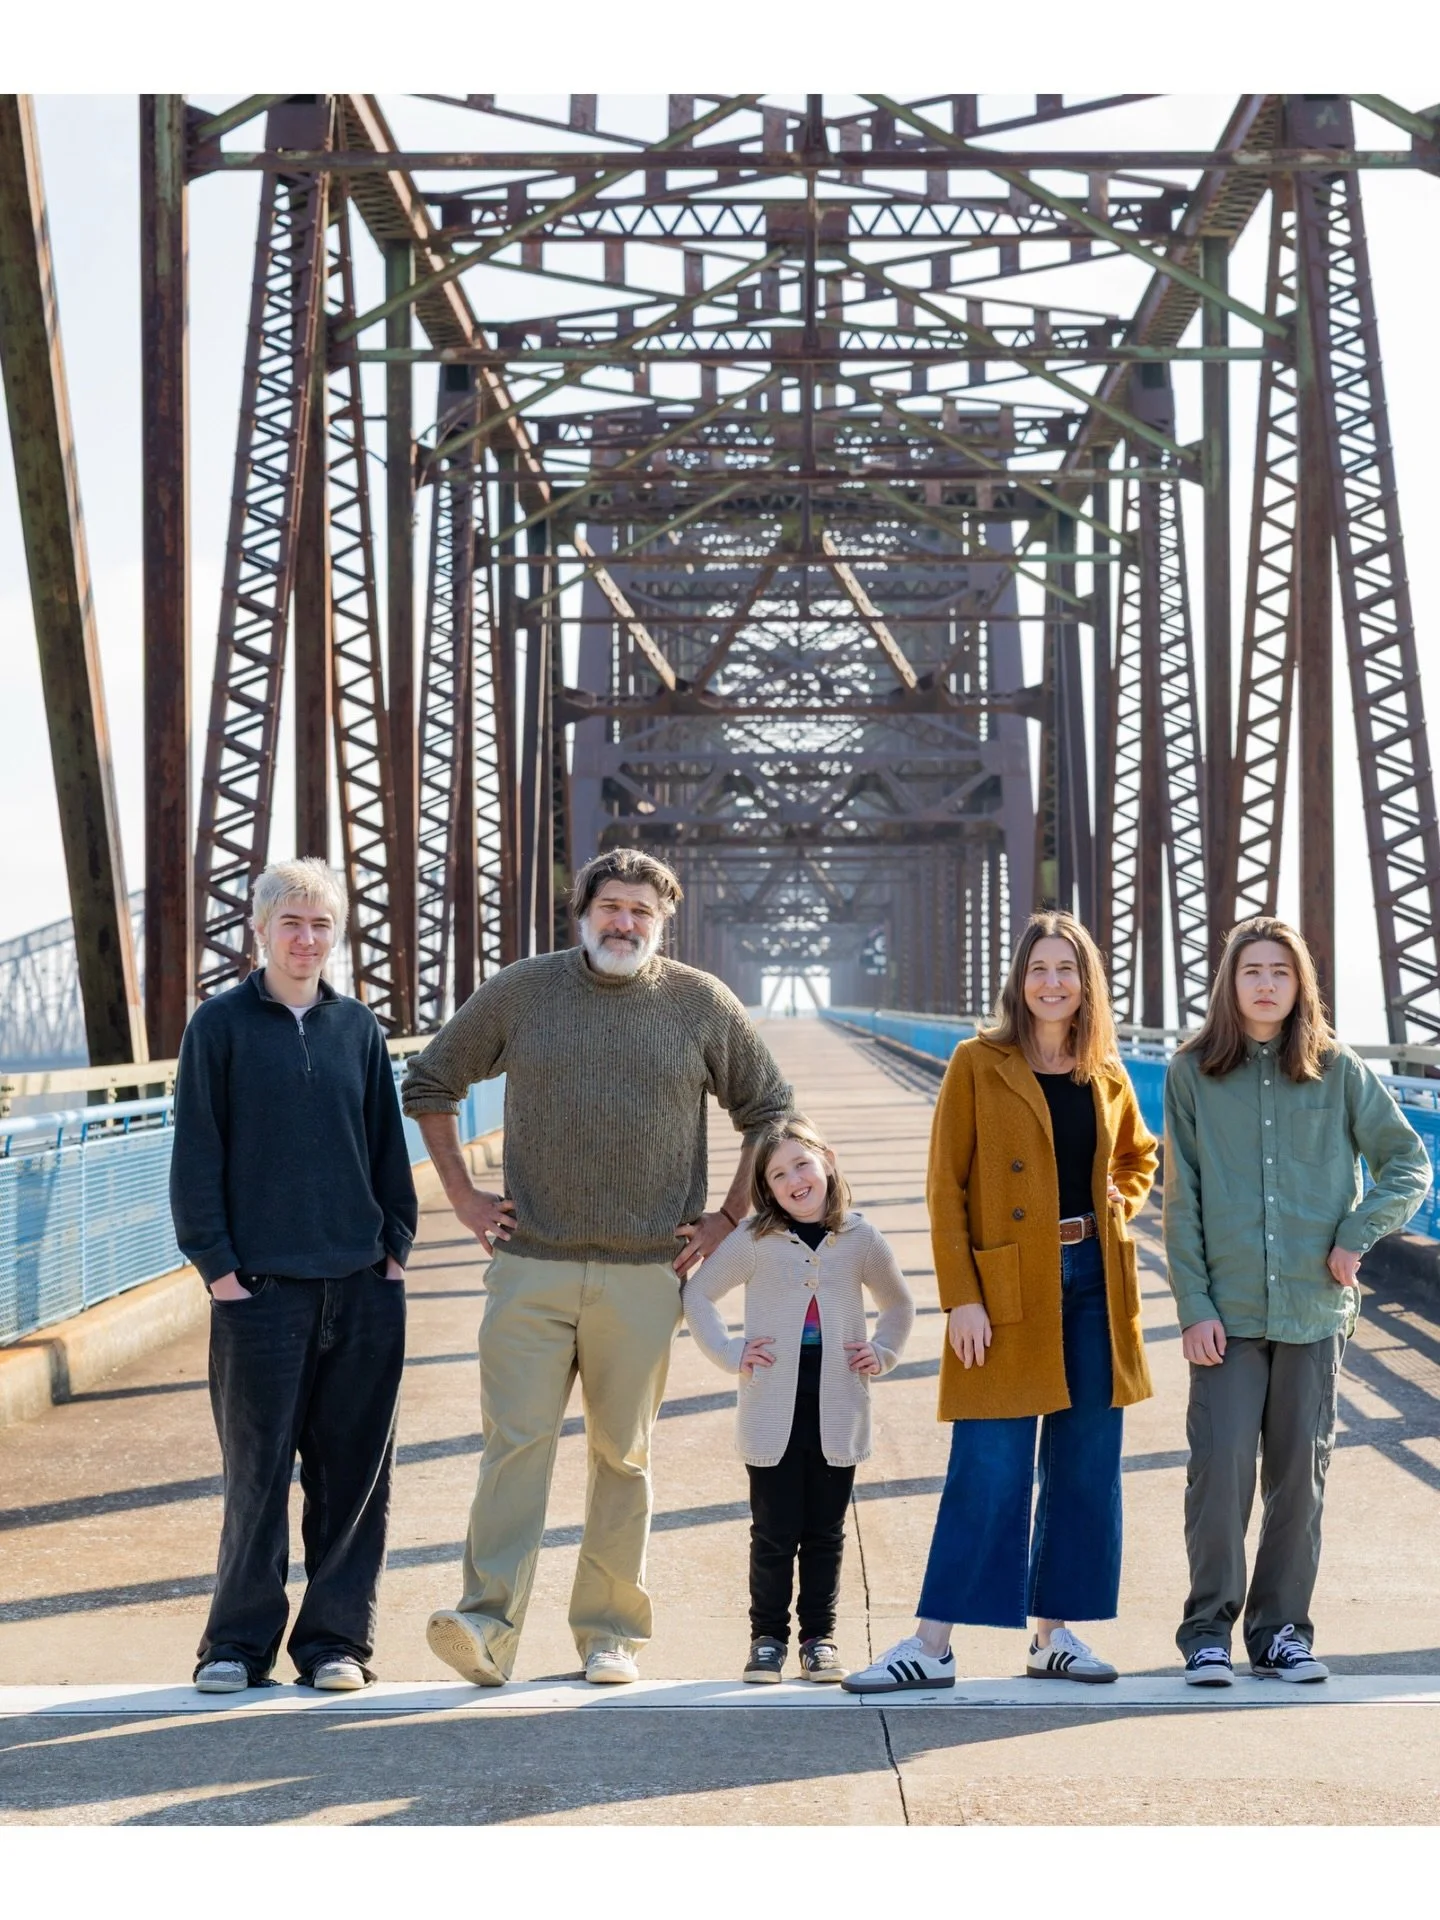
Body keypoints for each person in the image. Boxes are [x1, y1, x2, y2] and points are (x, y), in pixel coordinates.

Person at [403, 847, 792, 1688]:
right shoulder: (523, 990)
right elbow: (430, 1079)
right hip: (530, 1266)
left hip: (645, 1275)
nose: (624, 923)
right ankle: (486, 1627)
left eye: (641, 912)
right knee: (515, 1448)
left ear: (662, 922)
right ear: (581, 913)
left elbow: (769, 1106)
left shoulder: (698, 1002)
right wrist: (465, 1196)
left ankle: (610, 1635)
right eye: (611, 907)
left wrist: (728, 1216)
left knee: (623, 1456)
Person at [843, 911, 1158, 1695]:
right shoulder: (977, 1063)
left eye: (1066, 968)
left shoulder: (1107, 1072)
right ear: (1019, 981)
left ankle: (1055, 1635)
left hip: (1095, 1280)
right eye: (1039, 968)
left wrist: (1119, 1200)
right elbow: (944, 1188)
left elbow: (1138, 1155)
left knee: (1087, 1464)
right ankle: (932, 1642)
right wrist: (962, 1300)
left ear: (1086, 983)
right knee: (988, 1463)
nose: (1052, 982)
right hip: (1007, 1282)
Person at [170, 858, 416, 1695]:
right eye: (292, 923)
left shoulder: (359, 1028)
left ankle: (335, 1644)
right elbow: (196, 1151)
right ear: (261, 930)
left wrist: (395, 1252)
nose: (306, 939)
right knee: (257, 1474)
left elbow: (387, 1142)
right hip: (262, 1292)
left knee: (355, 1478)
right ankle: (235, 1647)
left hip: (360, 1283)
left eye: (321, 926)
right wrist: (219, 1270)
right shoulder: (220, 1026)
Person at [1165, 916, 1430, 1687]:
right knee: (1218, 1469)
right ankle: (1207, 1630)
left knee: (1298, 1477)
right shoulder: (1190, 1072)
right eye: (1252, 971)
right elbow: (1181, 1203)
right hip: (1228, 1310)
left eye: (1281, 971)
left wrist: (1358, 1232)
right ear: (1230, 982)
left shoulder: (1339, 1069)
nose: (1267, 984)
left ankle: (1281, 1631)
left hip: (1315, 1310)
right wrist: (1193, 1304)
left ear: (1299, 983)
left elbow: (1408, 1164)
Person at [684, 1115, 915, 1685]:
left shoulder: (861, 1239)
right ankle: (767, 1639)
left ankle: (819, 1638)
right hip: (771, 1409)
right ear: (768, 1188)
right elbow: (699, 1295)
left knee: (825, 1532)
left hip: (837, 1405)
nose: (794, 1180)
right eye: (779, 1174)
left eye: (802, 1164)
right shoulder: (756, 1239)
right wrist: (730, 1352)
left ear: (828, 1162)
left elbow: (900, 1305)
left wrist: (882, 1352)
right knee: (773, 1530)